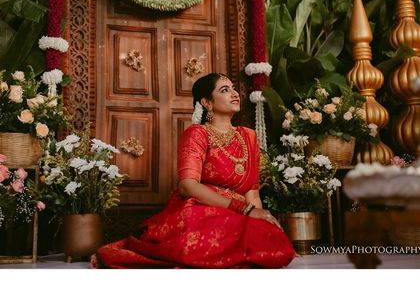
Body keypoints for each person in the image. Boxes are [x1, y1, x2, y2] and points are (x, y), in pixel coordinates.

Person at [96, 73, 296, 268]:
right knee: (212, 240)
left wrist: (260, 216)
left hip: (241, 212)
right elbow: (188, 186)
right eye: (225, 90)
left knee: (273, 242)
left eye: (234, 89)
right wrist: (243, 209)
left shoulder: (248, 136)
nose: (234, 93)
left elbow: (251, 192)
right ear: (207, 103)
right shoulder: (197, 133)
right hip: (201, 209)